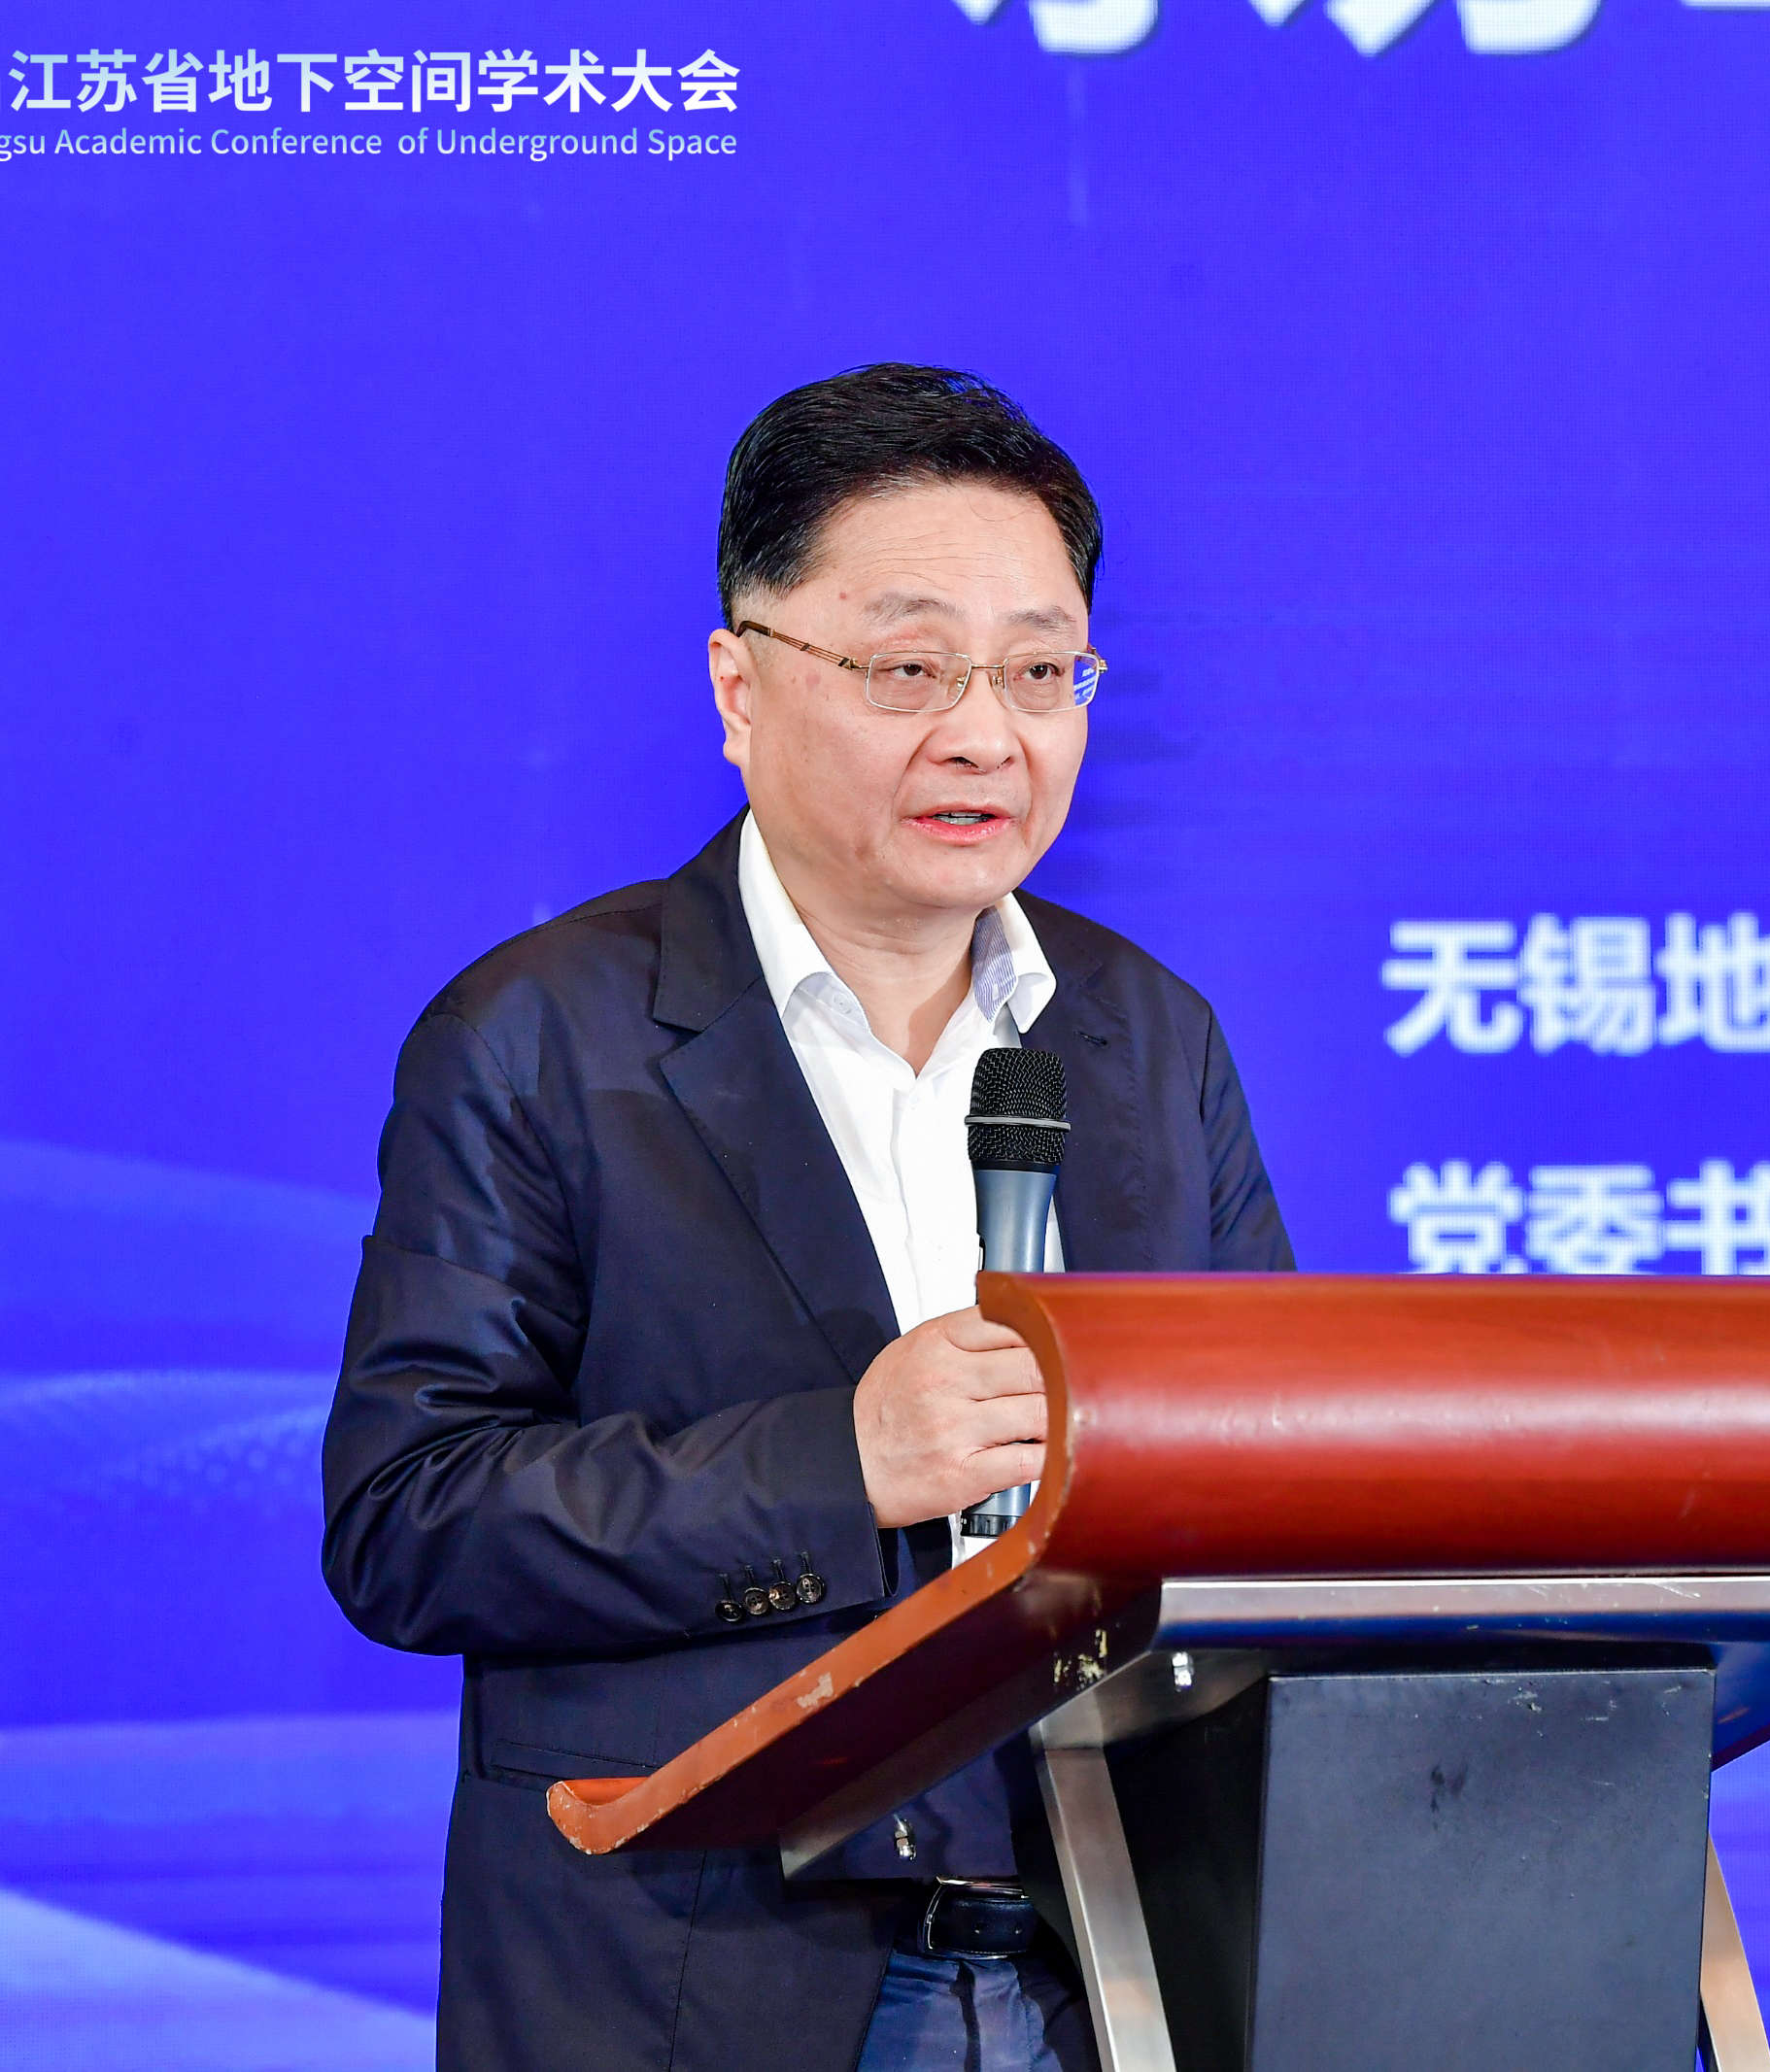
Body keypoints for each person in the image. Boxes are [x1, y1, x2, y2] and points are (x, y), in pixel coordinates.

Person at [321, 364, 1292, 2072]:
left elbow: (1267, 1474)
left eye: (1041, 670)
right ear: (740, 685)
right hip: (706, 1982)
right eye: (910, 668)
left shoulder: (1150, 1038)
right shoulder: (542, 1036)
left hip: (1107, 1970)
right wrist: (839, 1464)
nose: (985, 734)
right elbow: (412, 1516)